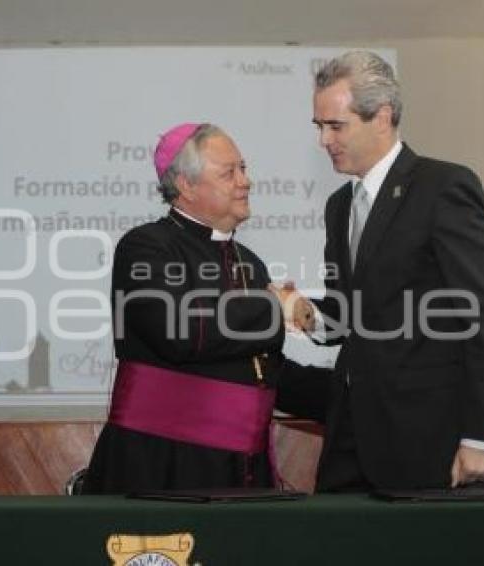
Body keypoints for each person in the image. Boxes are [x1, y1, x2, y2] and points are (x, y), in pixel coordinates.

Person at [287, 51, 484, 491]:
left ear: (383, 117)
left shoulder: (443, 187)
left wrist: (482, 436)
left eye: (336, 125)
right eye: (319, 126)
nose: (324, 140)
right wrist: (303, 313)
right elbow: (348, 314)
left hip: (428, 440)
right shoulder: (339, 207)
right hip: (350, 436)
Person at [83, 123, 326, 494]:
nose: (245, 182)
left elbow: (262, 370)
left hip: (241, 468)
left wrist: (355, 391)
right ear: (186, 185)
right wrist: (274, 307)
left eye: (244, 169)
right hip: (162, 463)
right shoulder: (146, 248)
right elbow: (182, 332)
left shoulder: (250, 263)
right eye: (229, 172)